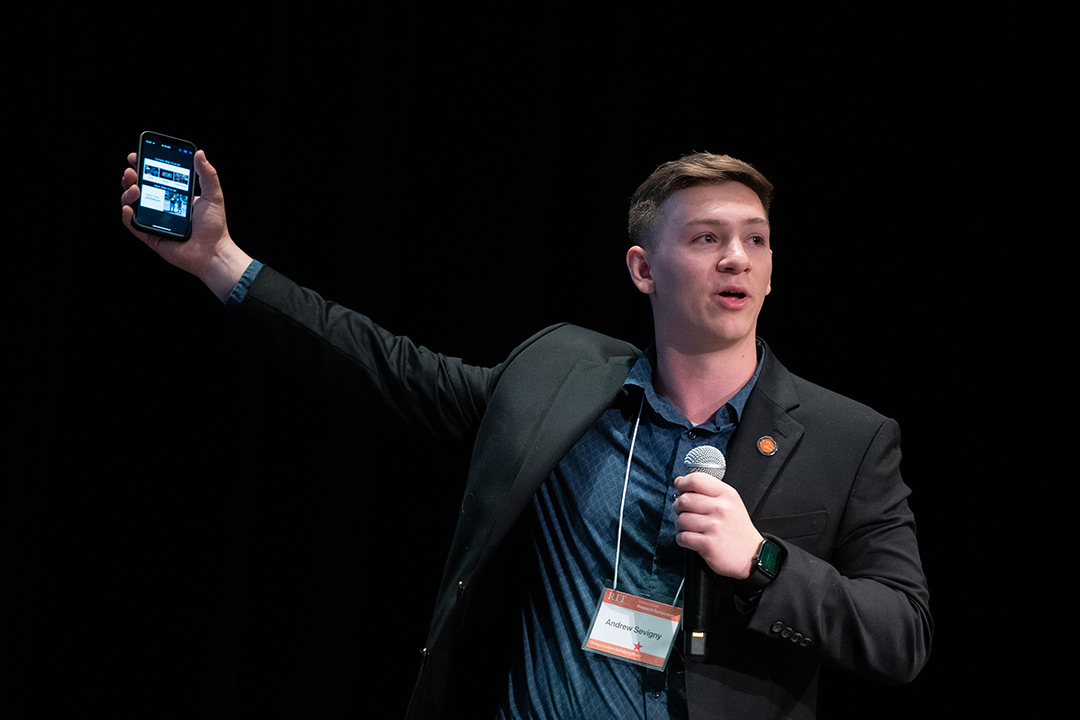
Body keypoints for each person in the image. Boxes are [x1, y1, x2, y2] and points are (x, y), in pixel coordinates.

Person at [120, 149, 932, 719]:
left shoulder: (845, 436)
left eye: (755, 238)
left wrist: (762, 561)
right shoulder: (560, 378)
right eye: (706, 237)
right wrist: (221, 261)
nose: (737, 258)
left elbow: (901, 635)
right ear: (644, 269)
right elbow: (386, 367)